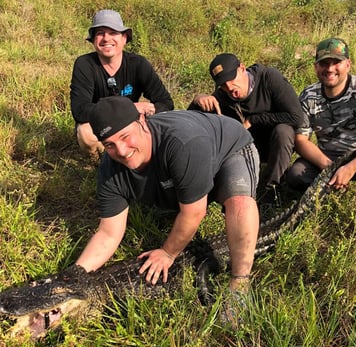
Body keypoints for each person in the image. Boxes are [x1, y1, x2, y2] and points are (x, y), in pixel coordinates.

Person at [75, 95, 260, 320]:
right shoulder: (109, 169)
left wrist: (168, 252)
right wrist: (76, 276)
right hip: (188, 167)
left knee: (239, 202)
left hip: (228, 149)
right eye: (110, 145)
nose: (121, 151)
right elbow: (108, 233)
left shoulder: (182, 142)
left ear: (142, 121)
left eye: (125, 136)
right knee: (182, 197)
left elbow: (194, 212)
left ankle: (240, 283)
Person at [286, 37, 356, 219]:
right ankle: (327, 203)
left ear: (348, 64)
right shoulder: (309, 95)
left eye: (337, 63)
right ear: (316, 67)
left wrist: (351, 168)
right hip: (329, 157)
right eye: (324, 63)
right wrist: (329, 167)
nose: (330, 69)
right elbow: (301, 140)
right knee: (296, 175)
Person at [188, 53, 304, 206]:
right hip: (244, 150)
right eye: (223, 85)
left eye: (231, 79)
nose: (229, 87)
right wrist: (197, 100)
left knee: (283, 131)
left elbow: (296, 117)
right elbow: (190, 125)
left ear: (242, 68)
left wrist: (254, 120)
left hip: (274, 143)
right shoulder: (222, 97)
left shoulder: (269, 78)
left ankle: (272, 191)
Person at [70, 9, 174, 158]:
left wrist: (148, 113)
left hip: (131, 123)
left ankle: (141, 158)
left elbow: (166, 103)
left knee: (167, 122)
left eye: (113, 32)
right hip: (101, 124)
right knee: (85, 133)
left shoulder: (139, 64)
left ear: (124, 38)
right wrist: (130, 108)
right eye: (100, 33)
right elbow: (80, 110)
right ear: (93, 39)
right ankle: (103, 163)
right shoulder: (84, 64)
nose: (106, 38)